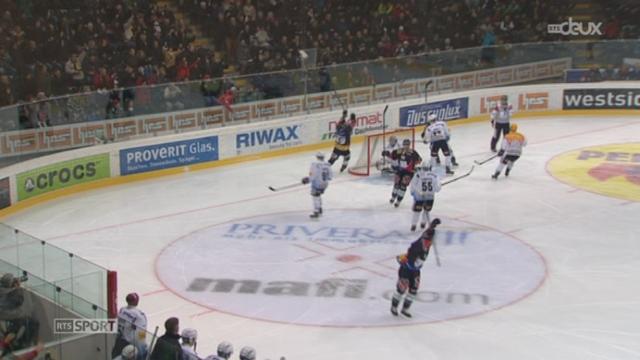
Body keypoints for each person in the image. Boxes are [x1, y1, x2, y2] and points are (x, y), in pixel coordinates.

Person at [391, 218, 441, 318]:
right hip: (406, 269)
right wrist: (415, 260)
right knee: (401, 288)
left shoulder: (427, 241)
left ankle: (405, 308)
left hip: (416, 271)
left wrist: (432, 225)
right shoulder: (418, 245)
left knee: (413, 290)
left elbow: (429, 231)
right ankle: (394, 307)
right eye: (429, 240)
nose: (430, 242)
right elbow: (411, 257)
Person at [387, 139, 422, 208]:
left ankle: (398, 201)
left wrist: (413, 166)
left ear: (409, 145)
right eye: (404, 145)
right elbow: (392, 156)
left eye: (407, 145)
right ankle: (393, 197)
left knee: (403, 186)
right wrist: (387, 153)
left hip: (409, 172)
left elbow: (419, 160)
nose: (406, 146)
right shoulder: (400, 151)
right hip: (400, 170)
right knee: (396, 184)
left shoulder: (413, 152)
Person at [112, 293, 147, 359]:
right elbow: (141, 333)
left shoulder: (122, 310)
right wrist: (143, 347)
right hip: (129, 345)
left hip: (119, 341)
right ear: (136, 301)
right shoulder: (139, 315)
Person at [409, 164, 441, 231]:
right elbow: (438, 188)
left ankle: (413, 225)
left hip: (419, 196)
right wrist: (435, 189)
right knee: (426, 210)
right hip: (430, 196)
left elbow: (413, 184)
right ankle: (423, 223)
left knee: (417, 211)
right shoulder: (435, 175)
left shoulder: (418, 174)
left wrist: (413, 192)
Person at [302, 152, 333, 219]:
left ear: (317, 157)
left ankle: (316, 211)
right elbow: (330, 176)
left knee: (315, 196)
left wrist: (307, 180)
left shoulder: (314, 164)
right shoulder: (328, 164)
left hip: (317, 184)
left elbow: (313, 175)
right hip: (325, 184)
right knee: (318, 195)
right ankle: (320, 208)